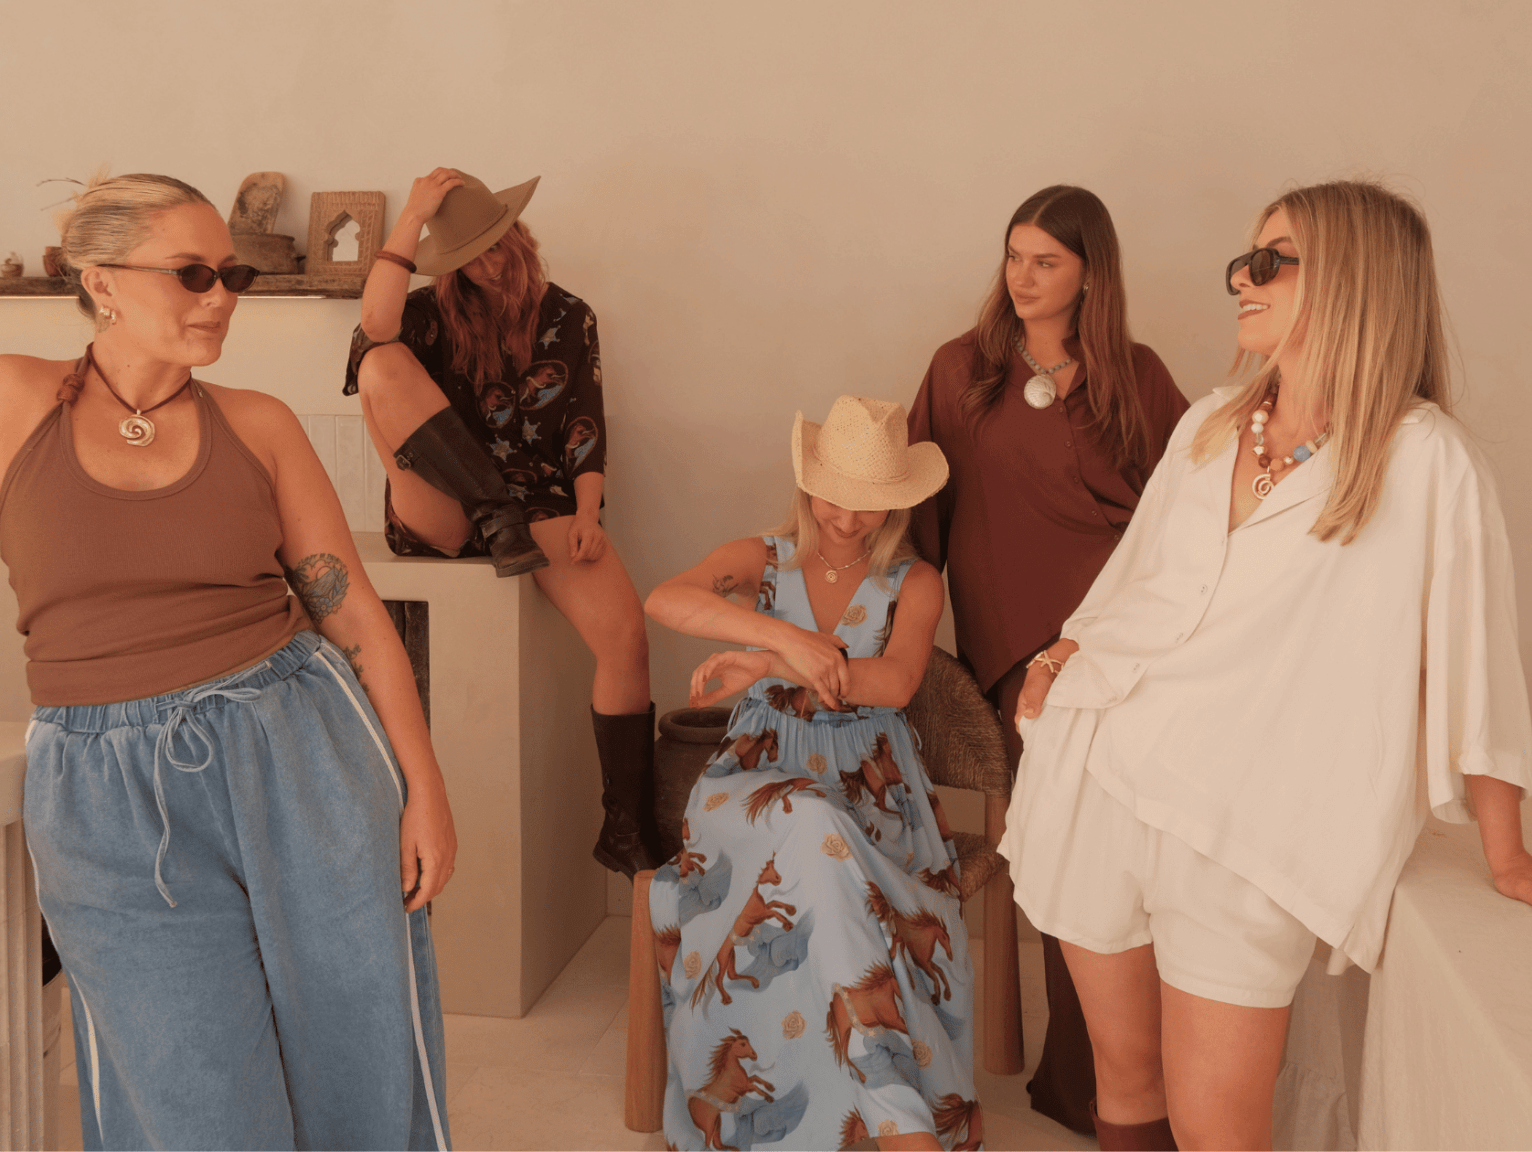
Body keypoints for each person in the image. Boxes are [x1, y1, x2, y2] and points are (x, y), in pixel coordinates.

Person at [1001, 180, 1532, 1151]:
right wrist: (1058, 657)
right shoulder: (1210, 424)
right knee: (1122, 1086)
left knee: (1218, 1129)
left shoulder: (1421, 459)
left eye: (1270, 261)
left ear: (1354, 280)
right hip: (1096, 774)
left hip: (1246, 828)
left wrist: (1504, 850)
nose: (1241, 280)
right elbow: (1134, 583)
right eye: (1242, 262)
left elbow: (1476, 660)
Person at [0, 173, 454, 1150]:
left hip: (299, 756)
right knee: (186, 1101)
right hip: (101, 790)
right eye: (193, 273)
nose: (221, 298)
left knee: (359, 1070)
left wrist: (424, 790)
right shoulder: (16, 401)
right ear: (101, 281)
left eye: (234, 275)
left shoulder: (257, 425)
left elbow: (359, 622)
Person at [907, 184, 1188, 1133]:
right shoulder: (960, 371)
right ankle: (1093, 1092)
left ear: (1088, 274)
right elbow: (920, 529)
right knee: (1078, 861)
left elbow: (1189, 520)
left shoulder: (1138, 377)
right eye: (1014, 256)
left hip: (1131, 645)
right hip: (1023, 657)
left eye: (1046, 262)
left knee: (1143, 857)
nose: (1022, 278)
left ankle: (1148, 1079)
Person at [644, 396, 980, 1151]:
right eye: (834, 497)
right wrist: (782, 636)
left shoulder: (915, 580)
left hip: (872, 783)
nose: (847, 519)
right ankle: (901, 1126)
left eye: (868, 505)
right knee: (805, 821)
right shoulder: (762, 558)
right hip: (756, 775)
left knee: (822, 843)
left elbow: (894, 684)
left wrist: (768, 664)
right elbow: (666, 598)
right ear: (807, 482)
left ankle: (881, 1112)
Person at [345, 168, 656, 876]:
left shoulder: (570, 316)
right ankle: (488, 505)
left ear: (519, 236)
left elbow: (583, 421)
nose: (484, 263)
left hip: (534, 506)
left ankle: (625, 825)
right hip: (449, 508)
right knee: (379, 362)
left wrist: (585, 511)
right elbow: (372, 326)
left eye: (494, 244)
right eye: (466, 254)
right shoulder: (427, 313)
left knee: (626, 633)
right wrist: (415, 214)